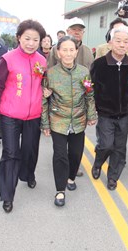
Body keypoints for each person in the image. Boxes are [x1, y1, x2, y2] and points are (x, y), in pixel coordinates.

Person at [0, 19, 46, 213]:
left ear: (41, 41)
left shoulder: (42, 61)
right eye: (27, 38)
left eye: (35, 40)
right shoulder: (8, 59)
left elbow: (44, 85)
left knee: (30, 150)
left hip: (34, 115)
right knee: (11, 153)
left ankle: (28, 174)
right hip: (10, 115)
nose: (31, 43)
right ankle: (7, 195)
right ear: (19, 38)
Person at [41, 36, 97, 206]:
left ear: (76, 52)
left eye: (71, 50)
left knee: (75, 153)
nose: (68, 53)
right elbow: (44, 100)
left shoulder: (83, 72)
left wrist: (92, 114)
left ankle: (71, 177)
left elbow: (89, 94)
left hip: (79, 120)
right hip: (58, 120)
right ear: (58, 53)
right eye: (64, 49)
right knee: (60, 156)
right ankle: (60, 190)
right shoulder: (50, 73)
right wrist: (45, 123)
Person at [90, 25, 128, 190]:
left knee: (119, 148)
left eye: (126, 41)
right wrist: (95, 108)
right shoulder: (99, 65)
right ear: (110, 43)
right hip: (105, 114)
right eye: (118, 41)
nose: (122, 45)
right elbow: (91, 88)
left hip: (124, 115)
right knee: (106, 145)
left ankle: (113, 176)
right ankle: (98, 163)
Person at [47, 17, 94, 177]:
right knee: (61, 148)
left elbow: (89, 83)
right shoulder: (56, 49)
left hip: (79, 106)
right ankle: (62, 167)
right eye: (73, 29)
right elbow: (49, 73)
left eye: (80, 30)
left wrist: (91, 111)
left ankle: (72, 167)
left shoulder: (87, 51)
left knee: (75, 148)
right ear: (67, 31)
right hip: (60, 106)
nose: (77, 32)